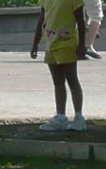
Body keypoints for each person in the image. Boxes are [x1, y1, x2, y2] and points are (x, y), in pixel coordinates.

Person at [30, 0, 87, 132]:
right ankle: (60, 116)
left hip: (67, 44)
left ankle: (79, 116)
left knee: (72, 79)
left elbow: (81, 21)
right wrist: (35, 43)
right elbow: (41, 20)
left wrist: (81, 45)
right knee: (58, 81)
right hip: (51, 44)